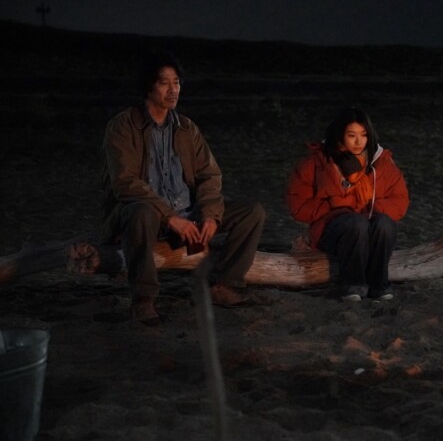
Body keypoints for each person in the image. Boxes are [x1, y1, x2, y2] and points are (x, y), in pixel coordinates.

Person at [101, 51, 265, 325]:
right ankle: (143, 299)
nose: (173, 90)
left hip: (188, 213)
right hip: (150, 215)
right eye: (164, 82)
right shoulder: (123, 126)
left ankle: (225, 285)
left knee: (252, 212)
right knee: (140, 211)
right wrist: (170, 217)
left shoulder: (186, 128)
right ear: (148, 86)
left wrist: (211, 216)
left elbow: (209, 175)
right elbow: (125, 182)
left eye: (176, 82)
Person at [286, 107, 409, 301]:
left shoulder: (381, 163)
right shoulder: (318, 163)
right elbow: (298, 206)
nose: (359, 142)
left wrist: (370, 207)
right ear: (340, 135)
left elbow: (400, 201)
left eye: (364, 135)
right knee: (355, 223)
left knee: (384, 224)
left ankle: (379, 285)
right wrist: (335, 206)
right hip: (332, 229)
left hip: (369, 223)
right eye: (352, 135)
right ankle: (353, 285)